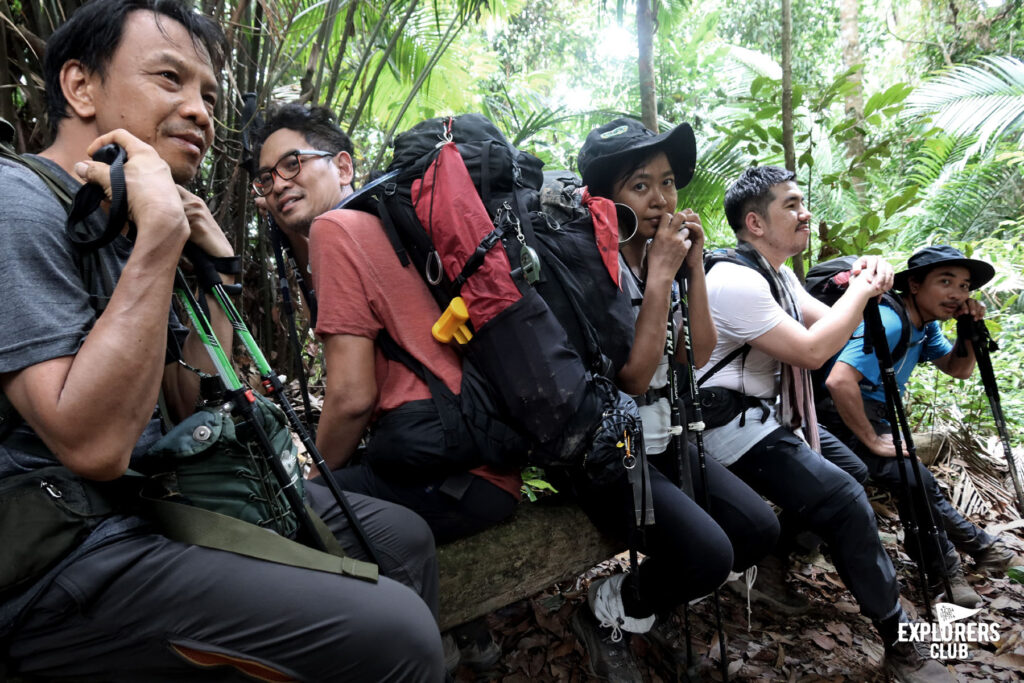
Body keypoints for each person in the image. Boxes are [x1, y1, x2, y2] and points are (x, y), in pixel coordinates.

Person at [0, 2, 443, 680]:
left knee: (403, 539)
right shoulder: (18, 202)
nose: (202, 110)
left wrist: (219, 272)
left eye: (208, 93)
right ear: (80, 87)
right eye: (169, 78)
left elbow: (188, 402)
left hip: (159, 498)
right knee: (400, 633)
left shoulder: (131, 217)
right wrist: (159, 243)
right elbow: (91, 445)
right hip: (67, 550)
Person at [253, 103, 522, 669]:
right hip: (480, 460)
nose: (279, 184)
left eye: (293, 164)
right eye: (266, 177)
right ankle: (464, 637)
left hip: (451, 473)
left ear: (344, 166)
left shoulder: (334, 231)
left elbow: (352, 398)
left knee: (281, 511)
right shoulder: (384, 224)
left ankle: (411, 655)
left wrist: (313, 477)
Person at [698, 165, 951, 682]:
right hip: (718, 423)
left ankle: (773, 564)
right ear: (755, 222)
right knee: (842, 496)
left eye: (801, 201)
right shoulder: (733, 279)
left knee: (851, 474)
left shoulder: (776, 272)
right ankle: (898, 637)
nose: (804, 211)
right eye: (790, 205)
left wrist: (863, 286)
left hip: (760, 416)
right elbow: (815, 353)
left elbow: (823, 319)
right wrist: (861, 292)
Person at [569, 118, 779, 675]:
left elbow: (696, 355)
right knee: (709, 555)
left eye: (667, 182)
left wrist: (693, 272)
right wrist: (660, 274)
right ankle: (607, 610)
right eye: (640, 186)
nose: (661, 198)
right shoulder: (597, 269)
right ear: (607, 201)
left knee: (758, 530)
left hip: (665, 437)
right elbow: (632, 380)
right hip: (616, 452)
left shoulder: (659, 259)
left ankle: (642, 605)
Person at [821, 245, 1020, 601]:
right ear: (914, 285)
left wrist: (968, 328)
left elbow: (958, 369)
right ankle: (965, 557)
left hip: (871, 413)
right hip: (834, 416)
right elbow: (838, 381)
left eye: (963, 286)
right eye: (946, 282)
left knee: (914, 480)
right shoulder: (892, 320)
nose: (957, 294)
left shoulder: (924, 328)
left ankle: (953, 566)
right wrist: (871, 440)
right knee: (914, 477)